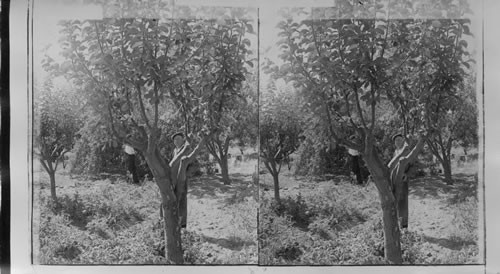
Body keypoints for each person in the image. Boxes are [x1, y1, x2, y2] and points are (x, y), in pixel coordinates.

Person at [388, 132, 425, 229]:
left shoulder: (407, 151)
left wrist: (407, 175)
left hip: (403, 181)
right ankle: (397, 225)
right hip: (393, 180)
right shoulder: (395, 152)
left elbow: (414, 166)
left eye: (400, 140)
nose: (398, 142)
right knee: (394, 202)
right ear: (394, 143)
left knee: (403, 202)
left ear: (403, 141)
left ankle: (404, 226)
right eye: (396, 140)